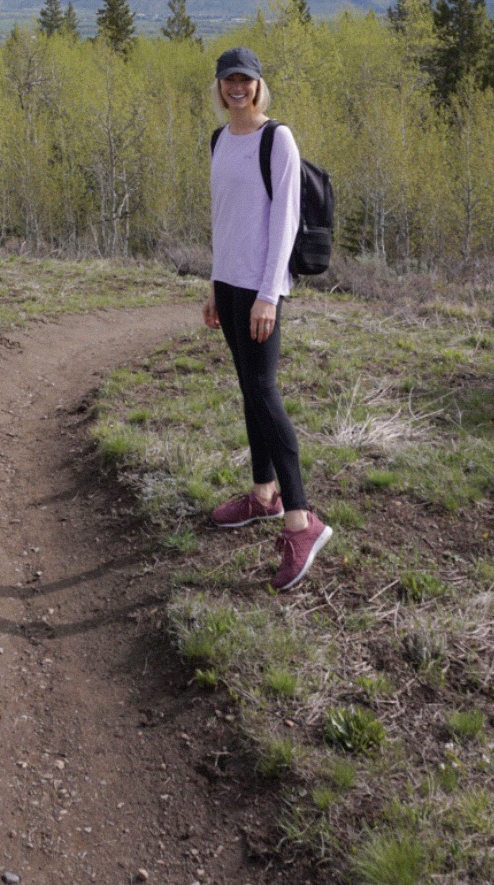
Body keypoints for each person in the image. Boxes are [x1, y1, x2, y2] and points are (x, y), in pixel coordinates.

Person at [203, 46, 331, 590]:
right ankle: (263, 495)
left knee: (264, 388)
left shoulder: (276, 138)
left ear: (259, 86)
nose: (238, 88)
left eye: (246, 80)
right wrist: (214, 284)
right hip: (229, 287)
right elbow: (222, 218)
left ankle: (302, 520)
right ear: (220, 87)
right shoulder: (217, 140)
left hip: (260, 290)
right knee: (249, 388)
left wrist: (269, 294)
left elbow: (285, 219)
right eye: (229, 80)